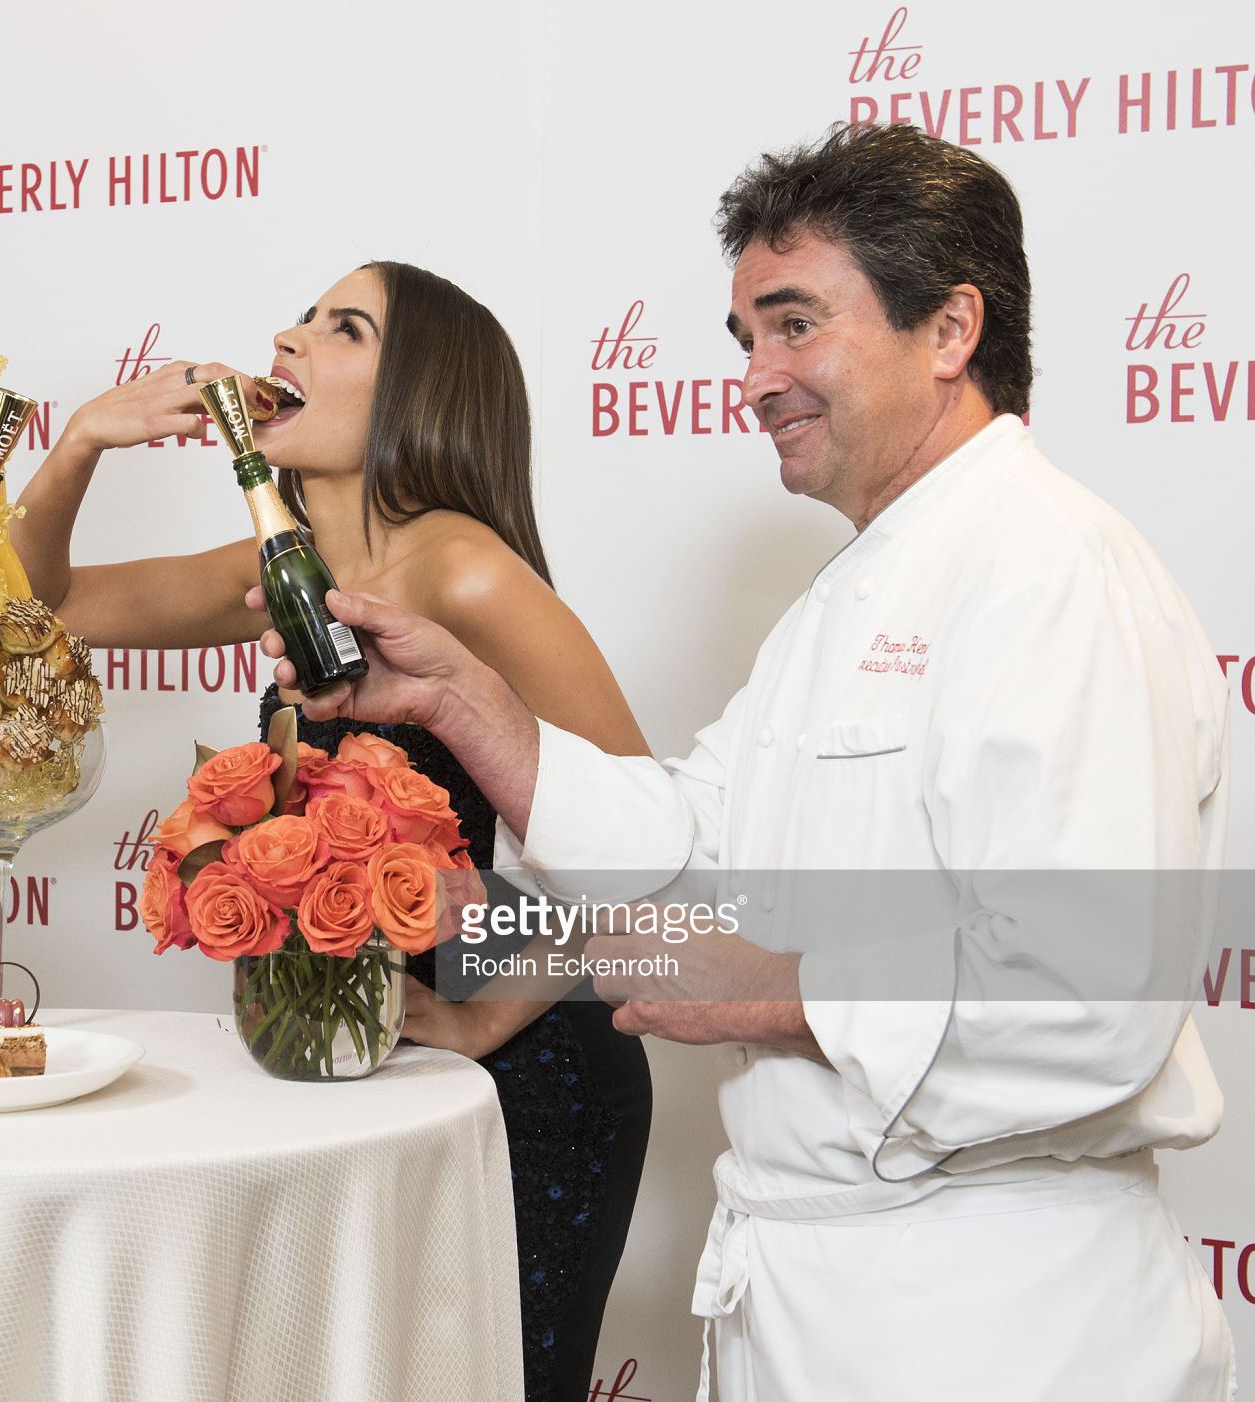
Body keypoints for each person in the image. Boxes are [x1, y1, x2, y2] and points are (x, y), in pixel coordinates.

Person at [257, 124, 1233, 1400]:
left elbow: (1089, 990)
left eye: (793, 326)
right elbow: (690, 845)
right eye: (744, 340)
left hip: (993, 1319)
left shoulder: (1049, 572)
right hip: (812, 1300)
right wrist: (464, 704)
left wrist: (771, 988)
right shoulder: (846, 599)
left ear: (949, 329)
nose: (755, 379)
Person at [14, 262, 653, 1398]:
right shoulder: (286, 561)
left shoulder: (464, 569)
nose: (288, 338)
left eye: (342, 328)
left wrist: (480, 1019)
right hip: (372, 1064)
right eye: (303, 317)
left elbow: (647, 841)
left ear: (418, 393)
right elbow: (38, 604)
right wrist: (81, 445)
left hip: (530, 1078)